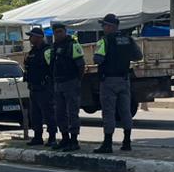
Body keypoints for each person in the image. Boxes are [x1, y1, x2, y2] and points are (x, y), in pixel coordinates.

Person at [92, 13, 140, 153]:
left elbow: (97, 60)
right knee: (125, 112)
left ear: (109, 26)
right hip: (124, 79)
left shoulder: (104, 41)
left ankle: (107, 144)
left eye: (104, 25)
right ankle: (127, 142)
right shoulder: (128, 39)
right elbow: (138, 56)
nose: (103, 28)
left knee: (108, 113)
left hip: (109, 81)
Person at [46, 21, 86, 152]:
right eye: (55, 32)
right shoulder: (53, 47)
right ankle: (64, 138)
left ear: (65, 31)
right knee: (59, 113)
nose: (58, 34)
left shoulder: (73, 45)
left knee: (72, 112)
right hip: (58, 83)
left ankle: (74, 140)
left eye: (60, 32)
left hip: (71, 82)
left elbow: (81, 65)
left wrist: (77, 81)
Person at [22, 26, 57, 148]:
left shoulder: (47, 50)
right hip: (34, 87)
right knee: (35, 114)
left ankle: (52, 137)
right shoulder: (32, 52)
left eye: (31, 36)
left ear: (39, 37)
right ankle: (37, 137)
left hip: (45, 88)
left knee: (48, 113)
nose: (30, 38)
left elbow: (52, 68)